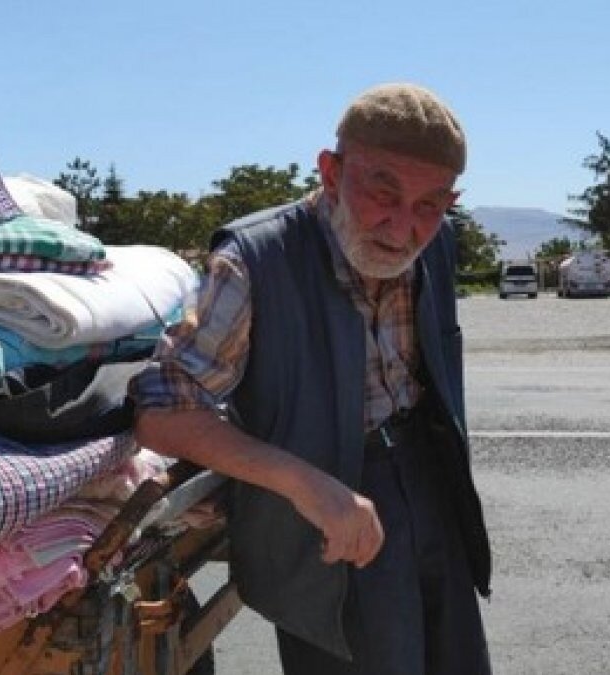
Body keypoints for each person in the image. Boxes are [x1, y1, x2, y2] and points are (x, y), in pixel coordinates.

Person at [131, 82, 492, 675]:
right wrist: (304, 484)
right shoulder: (254, 260)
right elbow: (162, 411)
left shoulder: (437, 243)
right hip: (321, 513)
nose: (402, 228)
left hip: (432, 485)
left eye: (430, 205)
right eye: (384, 194)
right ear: (331, 172)